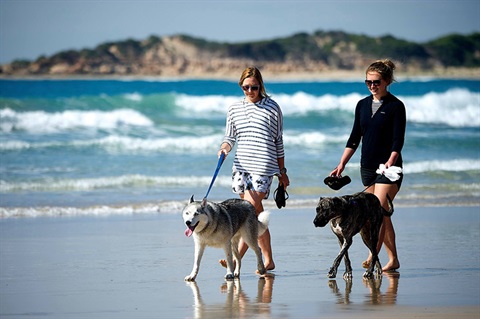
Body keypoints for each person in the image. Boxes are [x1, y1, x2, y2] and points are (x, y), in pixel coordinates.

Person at [329, 59, 406, 272]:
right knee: (383, 216)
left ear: (387, 81)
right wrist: (342, 164)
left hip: (389, 170)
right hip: (368, 168)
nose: (372, 85)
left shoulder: (396, 106)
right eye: (368, 82)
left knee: (379, 212)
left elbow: (398, 139)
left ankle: (373, 254)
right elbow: (355, 137)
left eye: (376, 82)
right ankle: (393, 259)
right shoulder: (362, 105)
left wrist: (391, 160)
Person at [218, 66, 289, 272]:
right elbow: (229, 137)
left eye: (254, 87)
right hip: (241, 167)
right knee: (255, 216)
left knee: (245, 211)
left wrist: (282, 172)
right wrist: (224, 148)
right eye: (246, 87)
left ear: (261, 86)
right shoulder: (234, 109)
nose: (250, 91)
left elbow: (278, 141)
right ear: (241, 86)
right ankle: (268, 260)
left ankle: (235, 257)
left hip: (264, 166)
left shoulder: (272, 107)